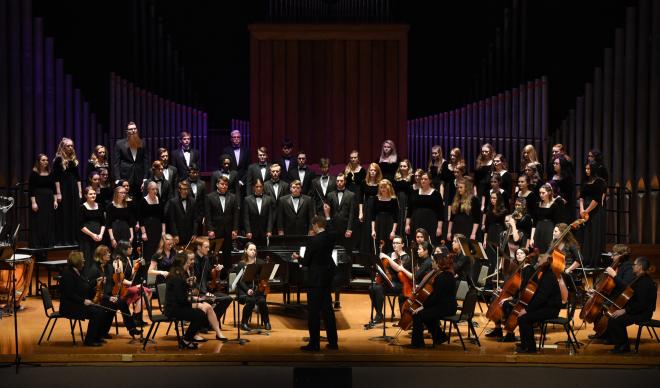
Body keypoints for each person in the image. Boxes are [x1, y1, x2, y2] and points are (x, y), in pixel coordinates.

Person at [292, 206, 338, 351]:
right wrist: (328, 216)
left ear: (316, 225)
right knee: (328, 311)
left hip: (315, 281)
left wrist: (298, 258)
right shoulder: (330, 238)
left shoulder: (313, 241)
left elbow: (306, 262)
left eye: (313, 226)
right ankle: (333, 342)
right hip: (327, 280)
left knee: (313, 313)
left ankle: (314, 344)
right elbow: (332, 230)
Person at [59, 251, 113, 346]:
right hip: (70, 306)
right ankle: (89, 340)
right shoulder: (68, 273)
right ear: (77, 261)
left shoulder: (79, 271)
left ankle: (97, 337)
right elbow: (69, 294)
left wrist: (96, 282)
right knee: (96, 312)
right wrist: (83, 301)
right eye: (82, 259)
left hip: (78, 303)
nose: (84, 260)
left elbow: (85, 286)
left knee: (102, 309)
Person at [605, 256, 657, 354]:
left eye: (634, 265)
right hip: (636, 310)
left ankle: (623, 346)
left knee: (615, 319)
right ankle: (620, 344)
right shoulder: (639, 279)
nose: (632, 266)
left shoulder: (645, 282)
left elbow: (641, 304)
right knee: (613, 316)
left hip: (643, 313)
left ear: (640, 267)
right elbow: (629, 291)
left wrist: (624, 310)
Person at [515, 252, 562, 353]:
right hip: (545, 307)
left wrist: (527, 310)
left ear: (545, 263)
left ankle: (530, 348)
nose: (537, 263)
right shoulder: (545, 274)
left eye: (539, 261)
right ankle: (525, 344)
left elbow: (541, 297)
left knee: (524, 318)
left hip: (551, 309)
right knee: (522, 317)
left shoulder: (549, 276)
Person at [485, 248, 536, 342]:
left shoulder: (528, 269)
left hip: (526, 298)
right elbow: (516, 285)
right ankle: (498, 329)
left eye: (521, 253)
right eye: (517, 253)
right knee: (496, 298)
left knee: (506, 304)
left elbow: (523, 288)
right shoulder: (521, 268)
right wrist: (503, 288)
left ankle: (510, 334)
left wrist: (511, 297)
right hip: (520, 295)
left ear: (526, 255)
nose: (519, 255)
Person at [409, 252, 457, 348]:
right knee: (427, 315)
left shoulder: (441, 277)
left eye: (433, 262)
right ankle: (440, 337)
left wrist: (422, 307)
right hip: (449, 306)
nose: (432, 264)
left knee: (418, 315)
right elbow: (436, 297)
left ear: (438, 263)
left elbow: (435, 297)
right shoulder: (449, 274)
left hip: (444, 308)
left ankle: (417, 344)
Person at [182, 249, 229, 342]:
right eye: (191, 260)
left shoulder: (190, 270)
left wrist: (198, 293)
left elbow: (193, 289)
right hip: (183, 302)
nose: (193, 261)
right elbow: (182, 294)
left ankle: (218, 333)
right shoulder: (181, 273)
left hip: (190, 298)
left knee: (208, 306)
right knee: (203, 307)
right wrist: (197, 298)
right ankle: (194, 333)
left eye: (193, 259)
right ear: (184, 260)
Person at [365, 235, 411, 328]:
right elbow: (383, 267)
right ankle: (379, 313)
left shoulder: (406, 257)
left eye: (397, 243)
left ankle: (378, 316)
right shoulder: (390, 254)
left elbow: (399, 269)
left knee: (378, 289)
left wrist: (387, 257)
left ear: (402, 245)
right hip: (388, 281)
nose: (394, 245)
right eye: (393, 243)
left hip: (399, 284)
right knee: (372, 288)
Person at [164, 252, 208, 349]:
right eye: (187, 262)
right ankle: (186, 339)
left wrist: (187, 286)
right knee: (200, 315)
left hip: (175, 306)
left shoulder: (177, 274)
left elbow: (180, 295)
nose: (189, 264)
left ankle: (187, 338)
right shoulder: (177, 277)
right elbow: (181, 299)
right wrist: (193, 303)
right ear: (182, 263)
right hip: (173, 309)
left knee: (200, 313)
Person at [102, 243, 144, 337]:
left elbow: (117, 279)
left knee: (121, 302)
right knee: (118, 303)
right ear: (101, 256)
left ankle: (131, 328)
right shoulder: (97, 268)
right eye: (106, 253)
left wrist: (118, 271)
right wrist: (109, 297)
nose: (109, 254)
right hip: (102, 296)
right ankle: (131, 328)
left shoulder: (109, 266)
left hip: (110, 294)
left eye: (109, 253)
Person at [191, 237, 232, 327]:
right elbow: (193, 281)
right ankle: (205, 322)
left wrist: (216, 270)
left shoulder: (206, 259)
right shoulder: (192, 261)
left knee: (228, 298)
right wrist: (203, 293)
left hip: (206, 290)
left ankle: (209, 321)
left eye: (208, 247)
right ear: (199, 247)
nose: (208, 249)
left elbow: (209, 276)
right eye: (206, 247)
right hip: (198, 292)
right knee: (210, 299)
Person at [233, 242, 272, 331]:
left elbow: (264, 277)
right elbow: (239, 281)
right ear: (245, 251)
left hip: (255, 289)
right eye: (251, 249)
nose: (253, 251)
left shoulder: (260, 263)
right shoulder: (241, 264)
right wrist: (247, 290)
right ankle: (244, 323)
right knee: (251, 300)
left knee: (262, 301)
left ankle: (266, 322)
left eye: (254, 250)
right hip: (243, 289)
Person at [579, 160, 608, 267]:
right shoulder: (585, 182)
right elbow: (581, 197)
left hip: (595, 212)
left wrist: (587, 211)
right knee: (586, 236)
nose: (586, 171)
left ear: (594, 169)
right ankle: (585, 259)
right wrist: (582, 210)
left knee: (594, 235)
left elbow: (596, 200)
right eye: (586, 169)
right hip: (585, 211)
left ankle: (593, 261)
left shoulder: (600, 182)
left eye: (588, 169)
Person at [205, 175, 240, 265]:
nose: (224, 186)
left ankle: (226, 275)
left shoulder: (233, 197)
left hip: (228, 230)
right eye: (222, 184)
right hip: (215, 230)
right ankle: (212, 276)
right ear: (217, 184)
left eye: (226, 184)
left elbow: (236, 214)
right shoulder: (210, 197)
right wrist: (210, 230)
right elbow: (208, 215)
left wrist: (235, 229)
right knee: (213, 253)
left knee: (227, 254)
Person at [54, 137, 82, 245]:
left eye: (72, 146)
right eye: (68, 146)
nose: (70, 148)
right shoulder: (58, 159)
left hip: (73, 188)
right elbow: (56, 178)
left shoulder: (74, 159)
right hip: (64, 188)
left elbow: (78, 177)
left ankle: (74, 239)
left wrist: (79, 191)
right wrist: (58, 192)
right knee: (65, 213)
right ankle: (64, 240)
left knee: (74, 212)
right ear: (63, 147)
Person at [112, 121, 149, 198]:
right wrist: (118, 179)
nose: (133, 131)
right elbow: (116, 163)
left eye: (135, 129)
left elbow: (146, 161)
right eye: (131, 129)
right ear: (127, 131)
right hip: (125, 178)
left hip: (139, 178)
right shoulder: (120, 144)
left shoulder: (143, 143)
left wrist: (145, 178)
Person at [406, 172, 444, 246]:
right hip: (416, 221)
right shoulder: (414, 193)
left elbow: (440, 213)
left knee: (430, 243)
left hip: (431, 222)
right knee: (415, 243)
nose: (423, 181)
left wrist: (439, 228)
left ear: (430, 181)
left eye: (425, 179)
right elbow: (409, 211)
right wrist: (407, 224)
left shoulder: (436, 194)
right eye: (422, 179)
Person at [29, 154, 57, 248]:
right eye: (43, 160)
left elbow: (53, 188)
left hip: (49, 199)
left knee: (48, 221)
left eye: (47, 160)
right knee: (39, 221)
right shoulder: (34, 173)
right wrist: (33, 202)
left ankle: (48, 242)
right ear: (38, 162)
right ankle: (38, 243)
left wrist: (55, 201)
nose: (46, 162)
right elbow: (31, 189)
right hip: (38, 199)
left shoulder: (50, 172)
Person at [530, 183, 563, 252]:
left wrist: (555, 238)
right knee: (536, 252)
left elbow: (557, 223)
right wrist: (531, 238)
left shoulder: (554, 206)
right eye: (540, 193)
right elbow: (534, 224)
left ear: (549, 192)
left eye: (543, 193)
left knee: (547, 252)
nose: (541, 195)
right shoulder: (537, 205)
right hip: (538, 230)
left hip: (549, 230)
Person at [79, 187, 106, 272]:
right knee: (88, 258)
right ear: (86, 196)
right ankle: (88, 279)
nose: (93, 195)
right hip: (87, 238)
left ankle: (100, 279)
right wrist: (92, 235)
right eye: (90, 194)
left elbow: (103, 223)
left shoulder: (100, 206)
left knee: (99, 257)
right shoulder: (82, 207)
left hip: (99, 237)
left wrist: (101, 234)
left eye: (94, 193)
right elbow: (80, 226)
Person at [166, 180, 199, 247]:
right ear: (179, 190)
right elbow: (172, 220)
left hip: (189, 235)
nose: (186, 191)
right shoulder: (173, 202)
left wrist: (195, 233)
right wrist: (175, 234)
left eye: (187, 189)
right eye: (184, 189)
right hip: (178, 235)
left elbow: (195, 219)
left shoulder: (193, 201)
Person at [139, 181, 166, 263]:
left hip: (157, 227)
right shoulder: (143, 201)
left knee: (158, 249)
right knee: (148, 250)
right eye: (153, 189)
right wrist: (143, 233)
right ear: (148, 190)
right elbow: (140, 218)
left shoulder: (159, 199)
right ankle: (148, 272)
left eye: (156, 189)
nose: (155, 191)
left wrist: (163, 231)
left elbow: (163, 217)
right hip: (148, 228)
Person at [447, 177, 480, 242]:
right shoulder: (456, 199)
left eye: (461, 187)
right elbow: (451, 218)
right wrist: (449, 232)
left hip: (467, 227)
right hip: (456, 227)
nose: (459, 189)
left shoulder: (474, 200)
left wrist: (473, 234)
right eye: (458, 187)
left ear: (466, 188)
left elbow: (477, 219)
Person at [243, 179, 275, 246]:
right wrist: (248, 231)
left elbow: (270, 216)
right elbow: (246, 217)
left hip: (264, 231)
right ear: (253, 187)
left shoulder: (268, 199)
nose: (259, 188)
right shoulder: (247, 199)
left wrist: (269, 230)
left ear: (263, 187)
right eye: (257, 186)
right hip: (252, 231)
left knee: (264, 252)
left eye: (260, 186)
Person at [371, 180, 399, 254]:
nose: (382, 189)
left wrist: (393, 231)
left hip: (389, 224)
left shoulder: (393, 199)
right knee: (378, 245)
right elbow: (373, 216)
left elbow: (396, 217)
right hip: (378, 224)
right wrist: (373, 230)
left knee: (389, 245)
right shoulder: (376, 198)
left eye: (384, 187)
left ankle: (388, 264)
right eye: (381, 187)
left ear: (388, 188)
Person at [359, 163, 382, 253]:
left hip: (377, 206)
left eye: (374, 170)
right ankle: (366, 252)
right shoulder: (364, 182)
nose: (372, 172)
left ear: (377, 172)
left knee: (376, 227)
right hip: (367, 206)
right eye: (371, 170)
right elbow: (360, 198)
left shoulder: (380, 183)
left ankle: (376, 250)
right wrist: (361, 212)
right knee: (367, 228)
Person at [550, 157, 576, 223]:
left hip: (565, 205)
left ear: (562, 165)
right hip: (553, 202)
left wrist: (562, 199)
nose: (554, 165)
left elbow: (570, 193)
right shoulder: (552, 176)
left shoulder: (568, 177)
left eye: (556, 163)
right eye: (554, 163)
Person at [393, 159, 414, 236]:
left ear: (408, 167)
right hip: (398, 200)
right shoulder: (396, 177)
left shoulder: (412, 178)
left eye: (404, 166)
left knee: (405, 219)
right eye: (401, 166)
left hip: (407, 200)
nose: (402, 168)